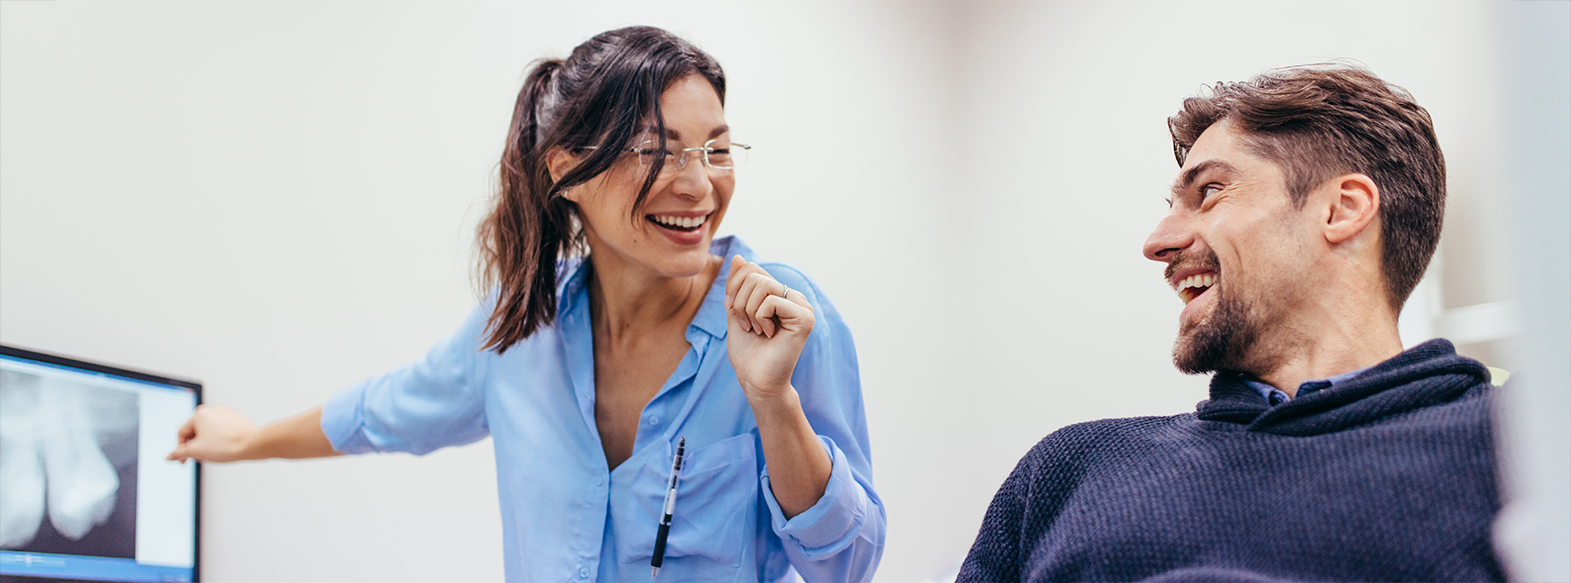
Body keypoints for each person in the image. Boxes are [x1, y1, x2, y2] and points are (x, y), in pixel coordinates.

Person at [166, 26, 885, 583]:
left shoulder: (778, 318)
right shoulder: (520, 329)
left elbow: (845, 564)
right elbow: (381, 411)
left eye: (715, 151)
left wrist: (773, 400)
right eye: (654, 151)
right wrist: (247, 440)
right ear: (566, 169)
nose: (698, 186)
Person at [958, 65, 1504, 582]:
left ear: (1341, 210)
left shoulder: (1520, 445)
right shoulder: (1068, 471)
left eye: (1209, 192)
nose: (1157, 243)